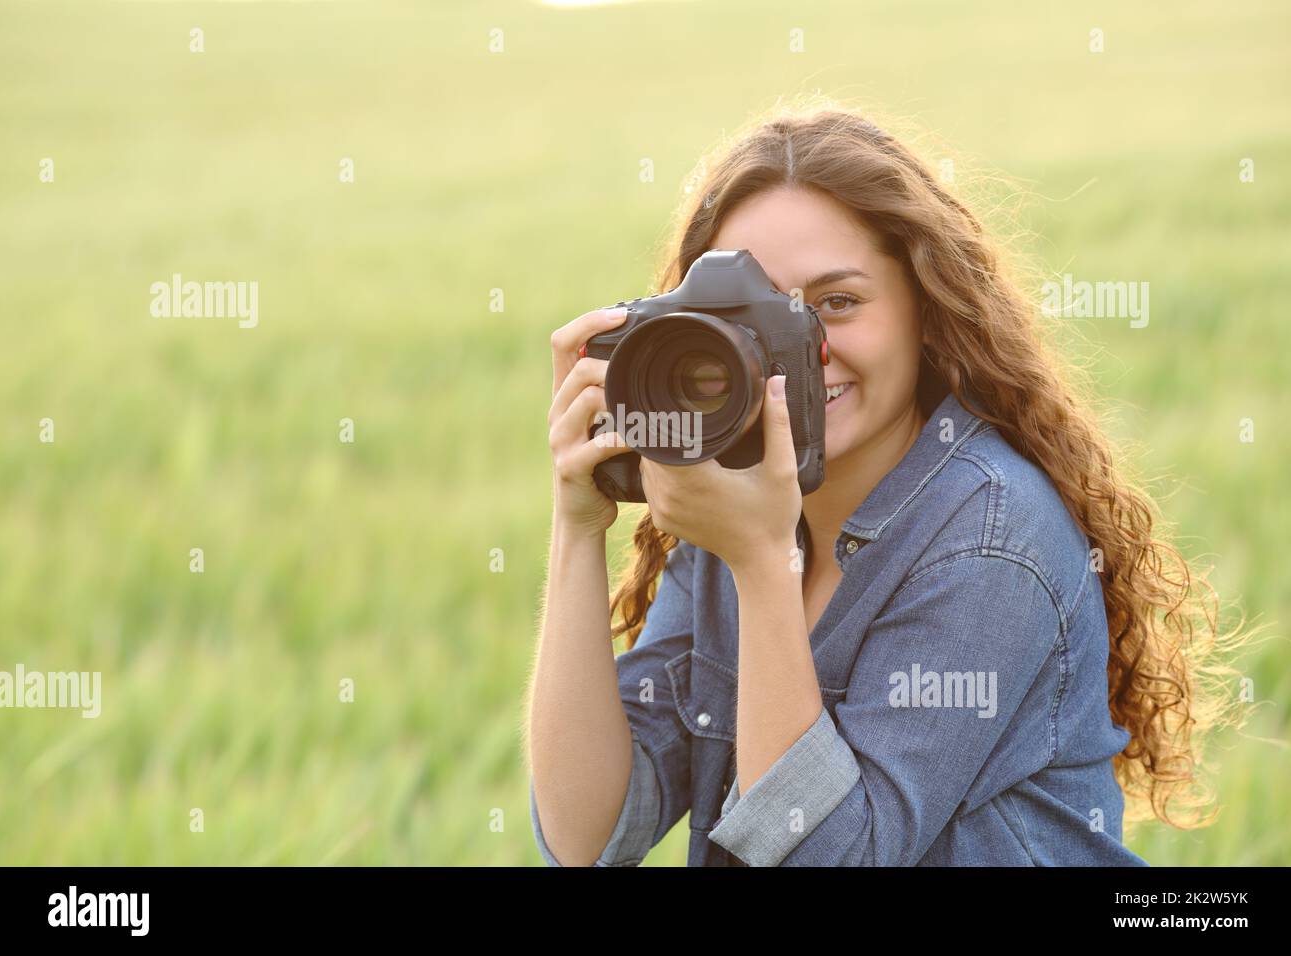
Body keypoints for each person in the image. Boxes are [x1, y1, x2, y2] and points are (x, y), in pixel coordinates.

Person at [525, 103, 1243, 866]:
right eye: (752, 317)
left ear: (926, 315)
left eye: (838, 303)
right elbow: (588, 835)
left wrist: (763, 564)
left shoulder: (989, 541)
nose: (802, 349)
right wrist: (577, 522)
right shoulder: (732, 505)